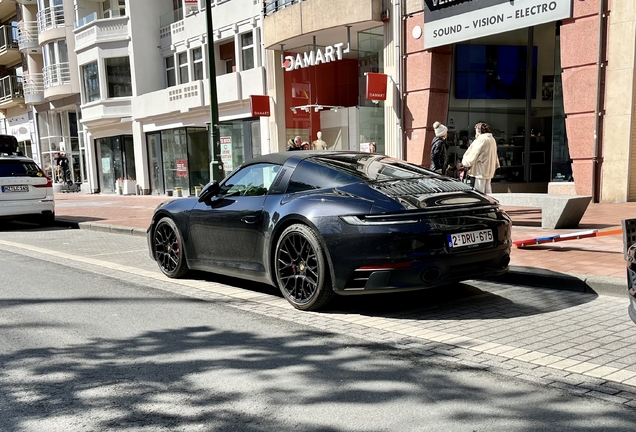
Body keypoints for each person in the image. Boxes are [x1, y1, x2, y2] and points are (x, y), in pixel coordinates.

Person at [461, 122, 500, 194]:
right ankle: (490, 203)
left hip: (481, 168)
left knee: (479, 189)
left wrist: (465, 162)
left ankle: (481, 204)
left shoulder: (481, 139)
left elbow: (474, 153)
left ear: (479, 130)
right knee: (488, 188)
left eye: (476, 129)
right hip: (489, 167)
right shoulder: (492, 139)